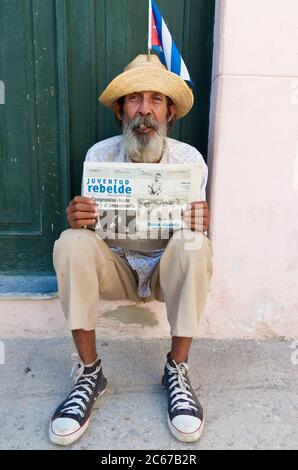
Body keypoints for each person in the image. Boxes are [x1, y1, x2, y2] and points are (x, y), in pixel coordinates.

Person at [50, 54, 213, 446]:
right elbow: (89, 229)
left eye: (155, 100)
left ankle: (176, 368)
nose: (145, 110)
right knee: (71, 241)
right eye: (135, 100)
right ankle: (90, 372)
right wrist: (79, 217)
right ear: (121, 110)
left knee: (195, 243)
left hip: (164, 272)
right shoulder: (100, 155)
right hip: (117, 266)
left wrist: (200, 221)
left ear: (169, 112)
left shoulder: (189, 160)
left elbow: (195, 230)